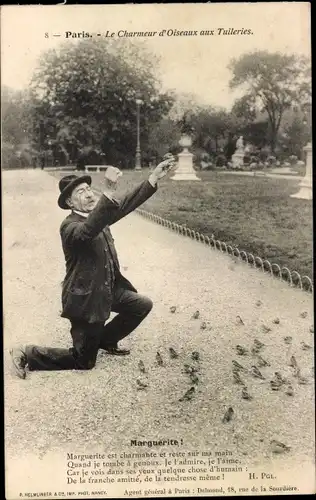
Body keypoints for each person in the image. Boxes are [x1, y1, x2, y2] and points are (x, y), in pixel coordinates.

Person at [10, 157, 176, 379]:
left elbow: (125, 204)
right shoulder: (69, 227)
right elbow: (88, 230)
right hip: (86, 300)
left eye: (89, 189)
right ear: (69, 203)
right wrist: (107, 190)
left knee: (141, 305)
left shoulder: (99, 217)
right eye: (80, 192)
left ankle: (106, 339)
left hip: (107, 291)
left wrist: (153, 177)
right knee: (84, 361)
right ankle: (27, 353)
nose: (88, 194)